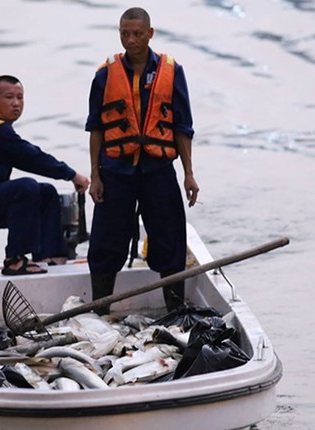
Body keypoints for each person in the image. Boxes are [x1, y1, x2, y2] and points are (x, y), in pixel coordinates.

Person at [85, 7, 199, 313]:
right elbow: (95, 128)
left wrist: (188, 173)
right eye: (125, 33)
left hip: (158, 169)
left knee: (169, 237)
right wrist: (95, 176)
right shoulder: (105, 74)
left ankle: (175, 310)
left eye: (137, 33)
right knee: (106, 240)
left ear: (150, 33)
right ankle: (100, 311)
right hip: (116, 171)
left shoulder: (171, 71)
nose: (130, 39)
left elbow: (182, 127)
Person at [0, 75, 90, 276]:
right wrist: (72, 175)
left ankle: (50, 257)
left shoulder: (1, 129)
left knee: (46, 192)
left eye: (20, 97)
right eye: (9, 97)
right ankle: (14, 260)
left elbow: (29, 156)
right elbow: (33, 157)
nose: (16, 103)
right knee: (26, 187)